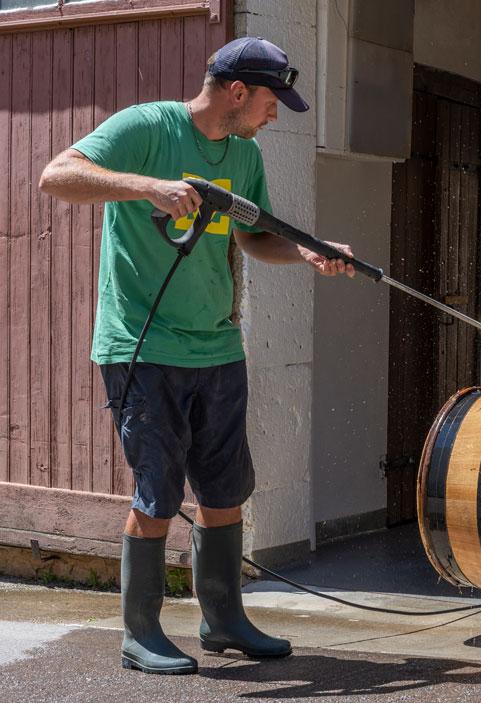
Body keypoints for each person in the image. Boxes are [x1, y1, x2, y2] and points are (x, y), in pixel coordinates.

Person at [38, 36, 353, 676]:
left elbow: (256, 237)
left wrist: (308, 251)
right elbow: (56, 176)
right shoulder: (146, 126)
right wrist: (144, 186)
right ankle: (141, 631)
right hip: (143, 346)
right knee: (157, 491)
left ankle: (223, 619)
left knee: (226, 486)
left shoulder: (244, 155)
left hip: (216, 345)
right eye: (271, 101)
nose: (275, 114)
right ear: (237, 92)